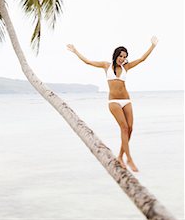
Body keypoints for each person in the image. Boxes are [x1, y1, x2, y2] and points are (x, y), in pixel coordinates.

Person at [66, 36, 158, 172]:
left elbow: (142, 59)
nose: (122, 58)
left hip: (126, 100)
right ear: (116, 55)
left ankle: (120, 156)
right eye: (121, 56)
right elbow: (88, 62)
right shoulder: (106, 66)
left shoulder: (126, 67)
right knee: (124, 128)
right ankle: (129, 159)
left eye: (125, 57)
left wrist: (152, 46)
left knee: (130, 128)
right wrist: (75, 51)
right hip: (113, 101)